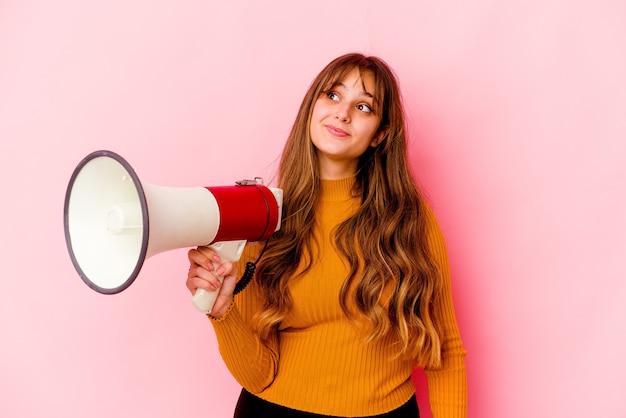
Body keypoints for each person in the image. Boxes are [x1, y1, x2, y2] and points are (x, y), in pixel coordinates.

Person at [186, 53, 467, 418]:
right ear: (311, 107)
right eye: (332, 95)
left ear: (381, 134)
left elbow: (444, 351)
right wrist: (222, 310)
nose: (342, 113)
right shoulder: (264, 218)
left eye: (363, 106)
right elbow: (257, 376)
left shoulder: (408, 220)